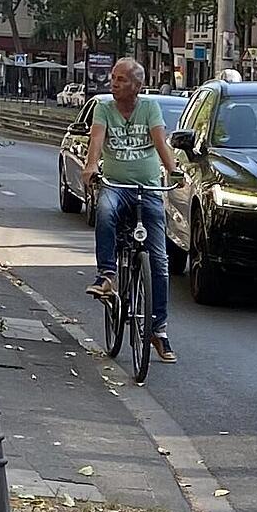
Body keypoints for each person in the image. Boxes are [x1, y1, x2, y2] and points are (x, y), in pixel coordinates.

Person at [86, 58, 183, 362]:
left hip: (148, 189)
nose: (114, 83)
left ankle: (159, 330)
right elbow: (97, 139)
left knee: (160, 260)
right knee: (104, 210)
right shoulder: (104, 108)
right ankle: (107, 276)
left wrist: (173, 171)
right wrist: (91, 166)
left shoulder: (149, 108)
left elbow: (159, 140)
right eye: (113, 78)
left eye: (121, 79)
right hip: (115, 184)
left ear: (137, 86)